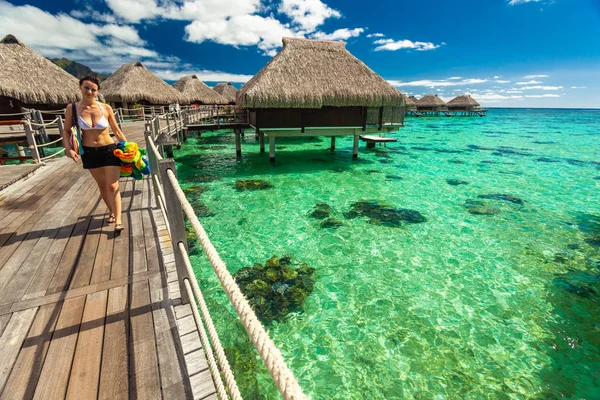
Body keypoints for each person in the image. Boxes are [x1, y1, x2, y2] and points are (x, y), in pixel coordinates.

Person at [62, 75, 128, 232]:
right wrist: (68, 149)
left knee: (112, 186)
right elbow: (65, 131)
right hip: (89, 152)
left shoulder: (105, 108)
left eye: (93, 90)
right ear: (80, 87)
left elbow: (116, 130)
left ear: (97, 92)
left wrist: (128, 148)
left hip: (109, 149)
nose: (89, 92)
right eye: (86, 88)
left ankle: (118, 220)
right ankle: (111, 211)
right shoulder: (72, 108)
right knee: (103, 185)